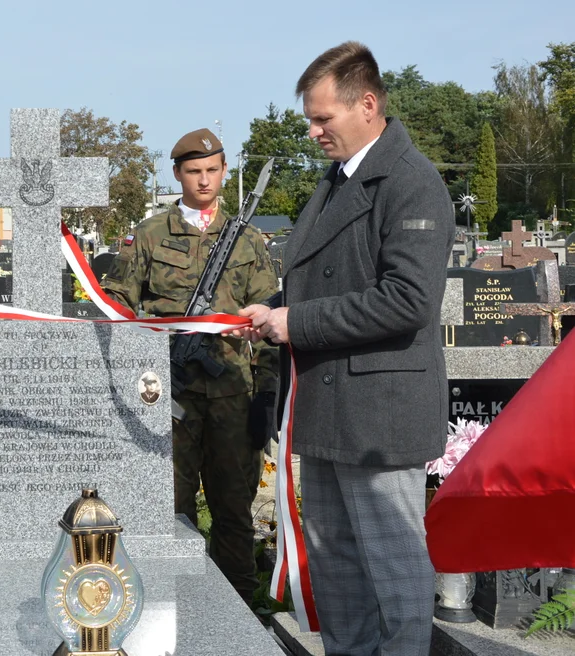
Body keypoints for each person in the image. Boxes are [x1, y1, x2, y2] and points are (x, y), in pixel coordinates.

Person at [235, 42, 454, 655]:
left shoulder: (411, 182)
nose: (312, 131)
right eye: (310, 117)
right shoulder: (335, 183)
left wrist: (295, 322)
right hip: (331, 408)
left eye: (322, 118)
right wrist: (269, 315)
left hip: (380, 414)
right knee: (339, 573)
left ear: (367, 103)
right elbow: (317, 279)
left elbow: (408, 300)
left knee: (394, 574)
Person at [101, 127, 279, 604]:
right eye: (194, 171)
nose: (204, 180)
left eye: (213, 170)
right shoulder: (149, 235)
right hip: (166, 393)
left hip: (233, 396)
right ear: (178, 174)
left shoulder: (247, 240)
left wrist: (268, 396)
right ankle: (166, 606)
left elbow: (270, 321)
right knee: (167, 511)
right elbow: (116, 306)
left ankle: (240, 610)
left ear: (224, 171)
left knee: (234, 512)